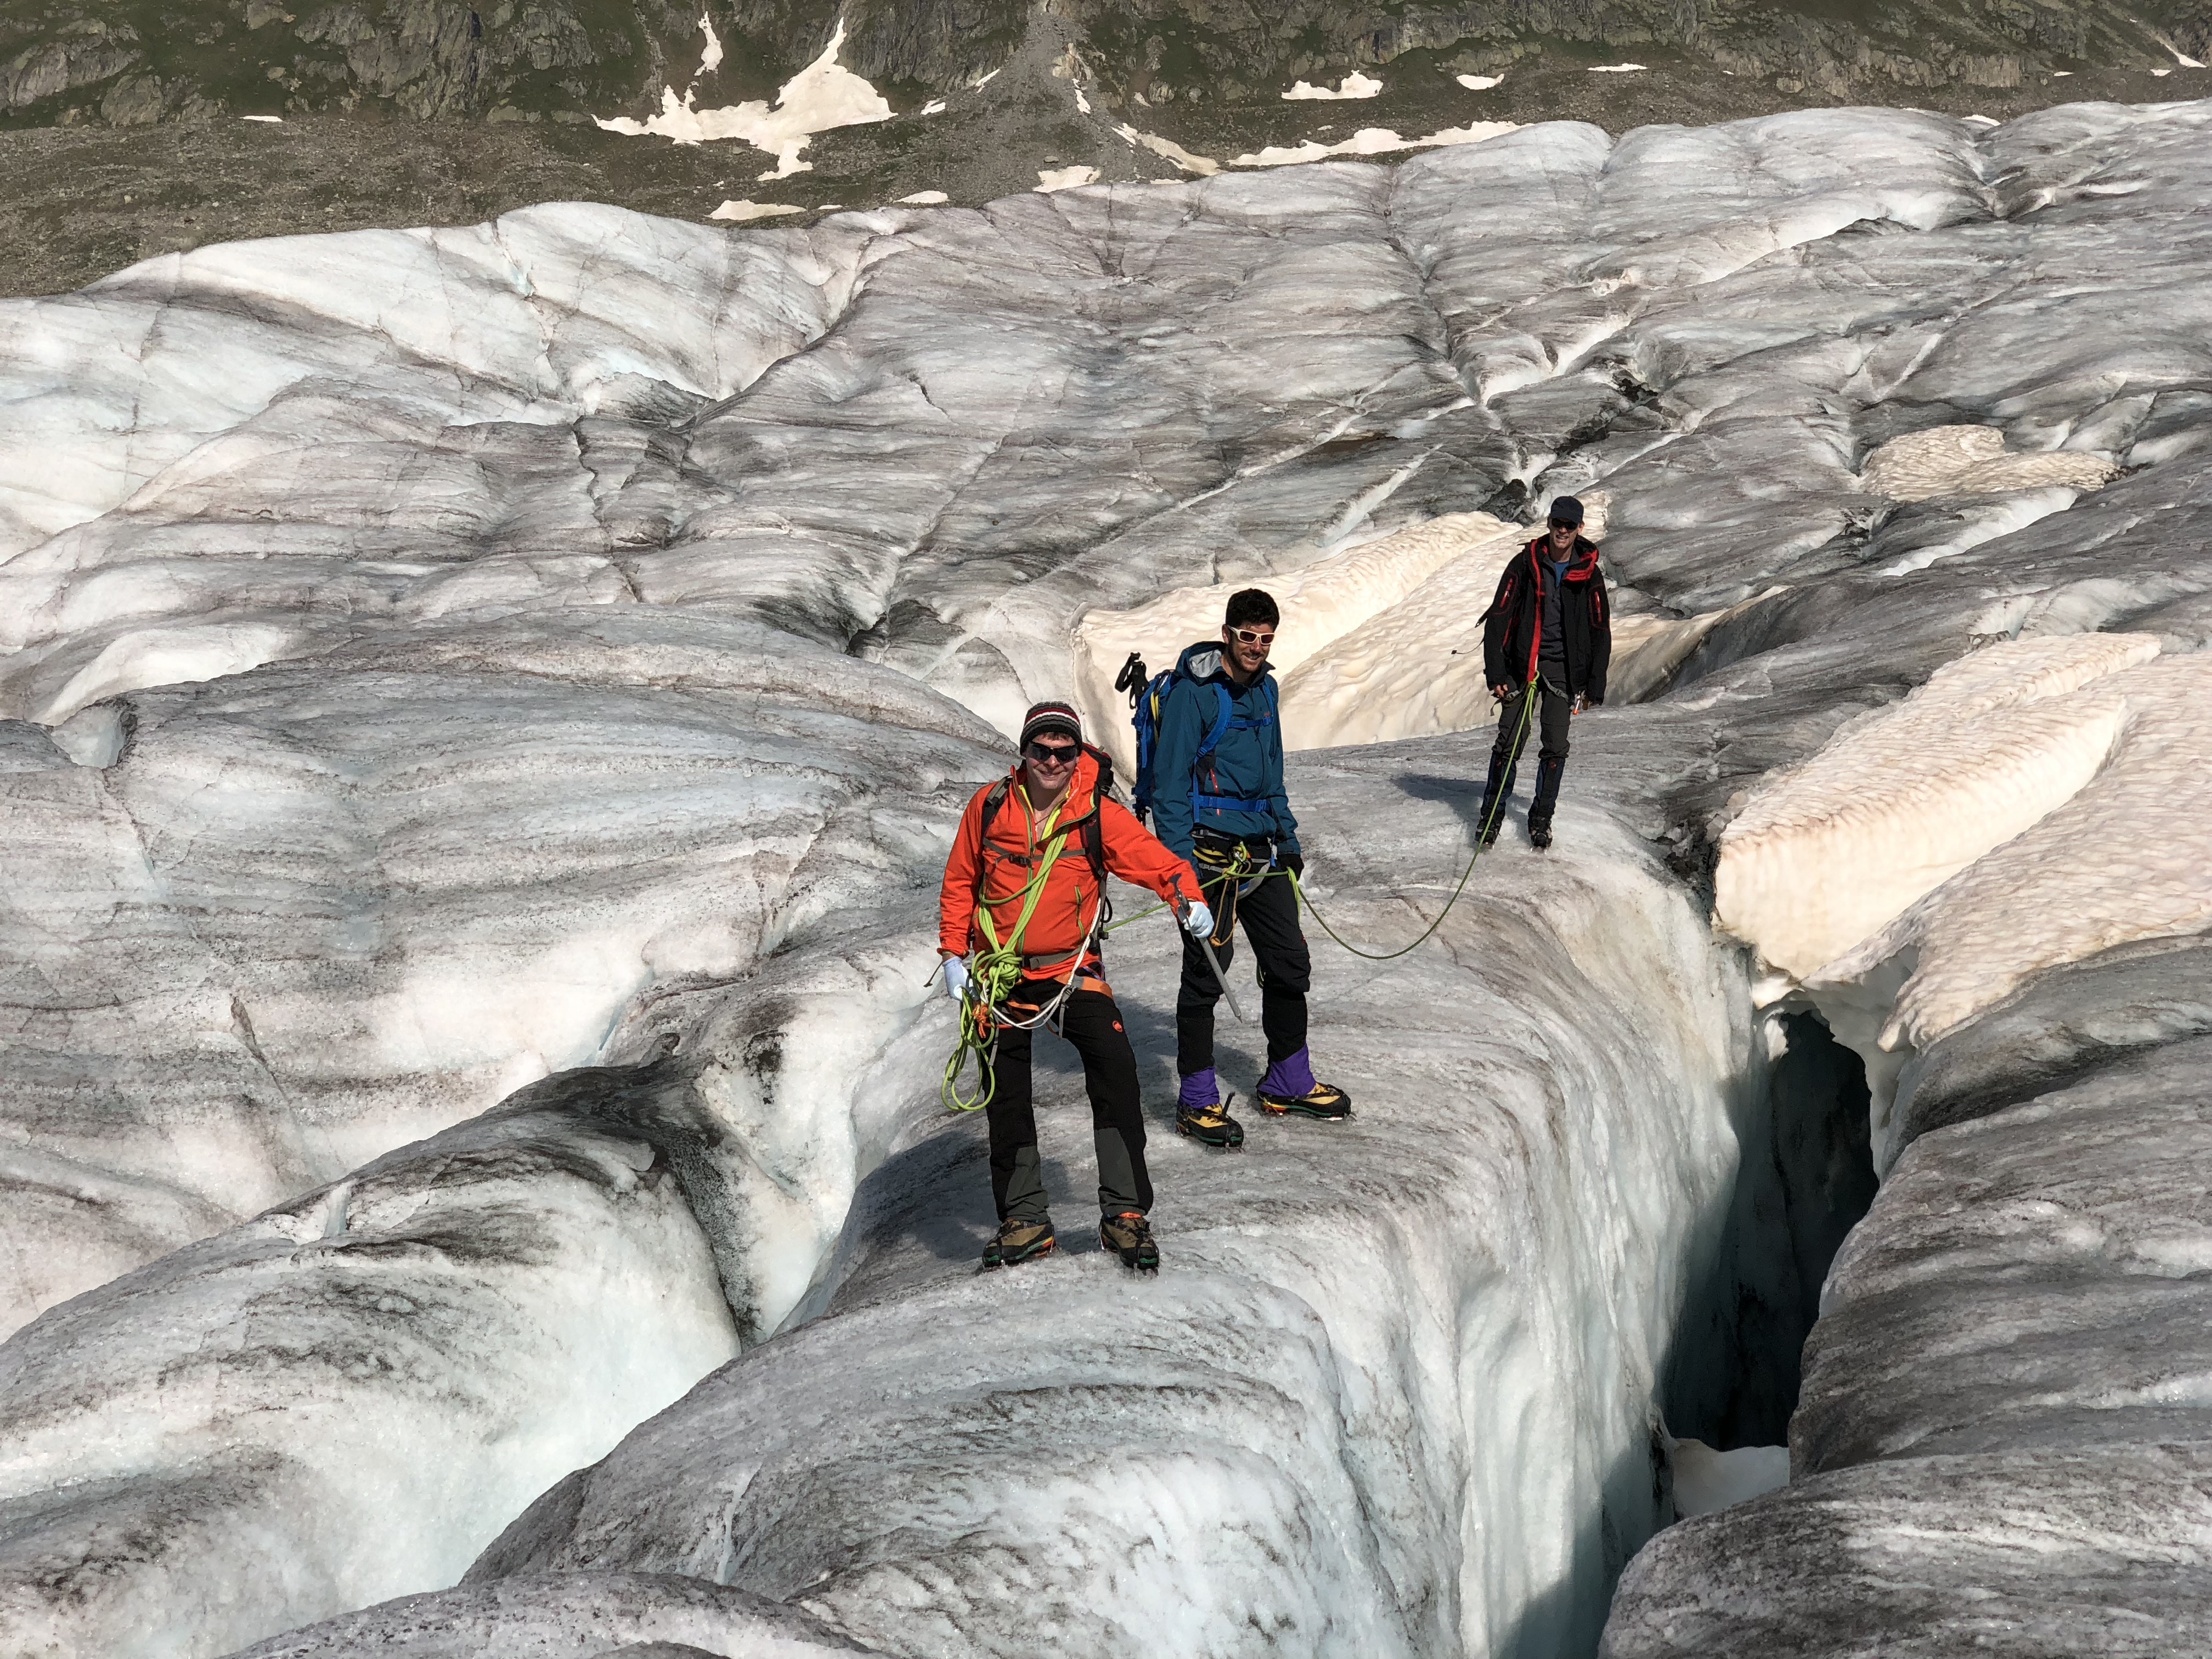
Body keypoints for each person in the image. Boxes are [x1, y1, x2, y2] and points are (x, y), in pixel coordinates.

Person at [939, 701, 1214, 1273]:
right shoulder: (989, 808)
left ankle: (1125, 1213)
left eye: (1064, 752)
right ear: (1025, 751)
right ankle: (1025, 1218)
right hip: (1001, 973)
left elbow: (1153, 860)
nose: (1052, 761)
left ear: (1076, 755)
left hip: (1072, 970)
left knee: (1114, 1066)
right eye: (1041, 750)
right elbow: (962, 879)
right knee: (1004, 1088)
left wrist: (1188, 897)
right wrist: (952, 953)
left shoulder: (1097, 814)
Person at [1150, 590, 1352, 1138]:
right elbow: (1169, 791)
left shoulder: (1266, 691)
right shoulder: (1196, 697)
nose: (1256, 648)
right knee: (1206, 973)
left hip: (1262, 850)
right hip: (1208, 854)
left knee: (1289, 963)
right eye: (1247, 637)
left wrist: (1287, 838)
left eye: (1265, 639)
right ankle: (1196, 1099)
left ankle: (1289, 1078)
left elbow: (1273, 776)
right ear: (1228, 634)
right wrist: (1179, 875)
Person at [1477, 494, 1612, 850]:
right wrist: (1498, 675)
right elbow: (1498, 619)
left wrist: (1594, 684)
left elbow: (1600, 629)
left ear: (1580, 528)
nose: (1563, 531)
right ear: (1549, 523)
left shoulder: (1589, 574)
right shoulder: (1524, 565)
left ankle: (1541, 819)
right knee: (1509, 743)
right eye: (1558, 523)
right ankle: (1491, 815)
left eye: (1570, 525)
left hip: (1563, 672)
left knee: (1555, 747)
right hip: (1523, 666)